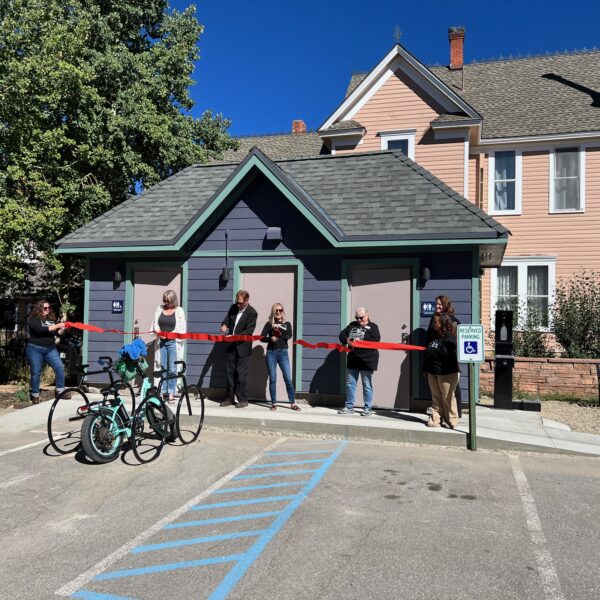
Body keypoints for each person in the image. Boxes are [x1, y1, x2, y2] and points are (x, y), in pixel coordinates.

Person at [338, 307, 381, 416]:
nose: (359, 320)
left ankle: (367, 408)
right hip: (353, 359)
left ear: (367, 315)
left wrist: (362, 342)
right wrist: (347, 340)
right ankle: (349, 406)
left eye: (361, 317)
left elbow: (376, 340)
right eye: (357, 317)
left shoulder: (373, 327)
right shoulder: (352, 325)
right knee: (350, 384)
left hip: (367, 360)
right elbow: (342, 335)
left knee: (366, 384)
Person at [220, 290, 258, 408]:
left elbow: (249, 331)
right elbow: (227, 320)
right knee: (229, 373)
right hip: (231, 346)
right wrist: (224, 325)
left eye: (241, 303)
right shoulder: (233, 308)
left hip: (243, 347)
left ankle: (243, 399)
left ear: (247, 301)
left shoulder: (252, 313)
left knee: (241, 375)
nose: (238, 305)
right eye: (237, 302)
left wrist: (235, 337)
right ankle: (229, 398)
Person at [260, 303, 300, 412]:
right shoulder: (269, 324)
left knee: (288, 378)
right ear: (273, 311)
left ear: (283, 311)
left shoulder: (287, 324)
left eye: (280, 310)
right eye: (276, 310)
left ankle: (292, 403)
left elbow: (289, 336)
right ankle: (274, 403)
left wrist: (278, 330)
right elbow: (261, 338)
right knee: (273, 378)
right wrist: (270, 338)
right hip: (271, 353)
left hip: (283, 353)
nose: (278, 312)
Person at [423, 312, 460, 428]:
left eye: (436, 322)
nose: (434, 324)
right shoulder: (434, 336)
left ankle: (452, 420)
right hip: (433, 371)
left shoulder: (450, 337)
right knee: (436, 398)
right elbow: (428, 353)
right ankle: (436, 419)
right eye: (433, 322)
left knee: (448, 398)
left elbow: (447, 353)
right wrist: (425, 368)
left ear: (443, 324)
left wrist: (432, 351)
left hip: (447, 372)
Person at [26, 300, 67, 404]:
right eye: (45, 308)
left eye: (49, 308)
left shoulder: (51, 319)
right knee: (36, 371)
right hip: (35, 348)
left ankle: (60, 391)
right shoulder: (33, 319)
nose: (48, 310)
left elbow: (57, 333)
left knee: (60, 368)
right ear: (39, 309)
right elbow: (40, 330)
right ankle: (35, 395)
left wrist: (62, 329)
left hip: (50, 349)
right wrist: (57, 326)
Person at [151, 290, 186, 404]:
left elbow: (181, 328)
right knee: (162, 367)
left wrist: (170, 335)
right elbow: (155, 323)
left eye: (168, 301)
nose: (166, 303)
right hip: (161, 342)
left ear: (173, 300)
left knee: (172, 368)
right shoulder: (159, 308)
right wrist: (160, 332)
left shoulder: (179, 311)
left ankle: (171, 393)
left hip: (173, 343)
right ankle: (161, 392)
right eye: (164, 300)